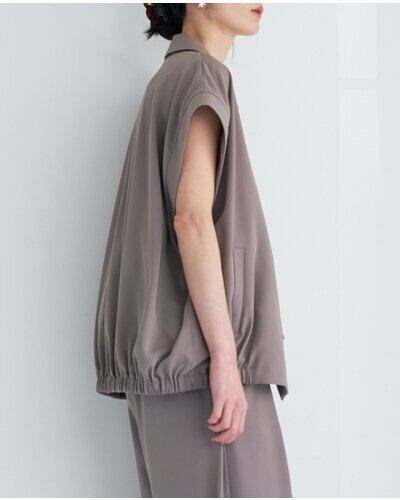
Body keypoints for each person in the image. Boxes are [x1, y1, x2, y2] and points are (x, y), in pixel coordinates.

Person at [94, 3, 292, 497]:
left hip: (169, 371)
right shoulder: (200, 76)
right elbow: (192, 219)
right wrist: (225, 359)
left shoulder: (168, 81)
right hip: (201, 371)